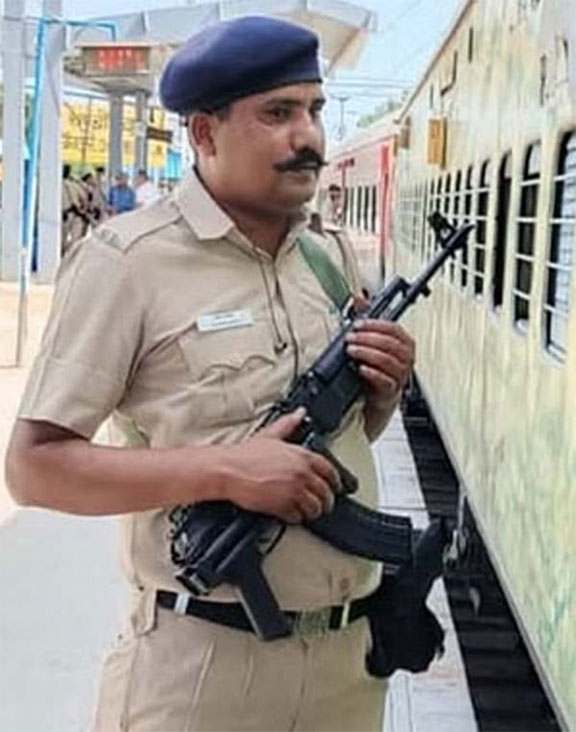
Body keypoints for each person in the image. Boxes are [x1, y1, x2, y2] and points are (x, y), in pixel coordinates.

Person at [6, 16, 415, 732]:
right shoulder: (127, 263)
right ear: (204, 133)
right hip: (202, 672)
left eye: (314, 110)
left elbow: (339, 443)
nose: (308, 137)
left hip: (347, 670)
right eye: (277, 113)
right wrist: (224, 472)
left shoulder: (327, 259)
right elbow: (34, 470)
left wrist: (382, 387)